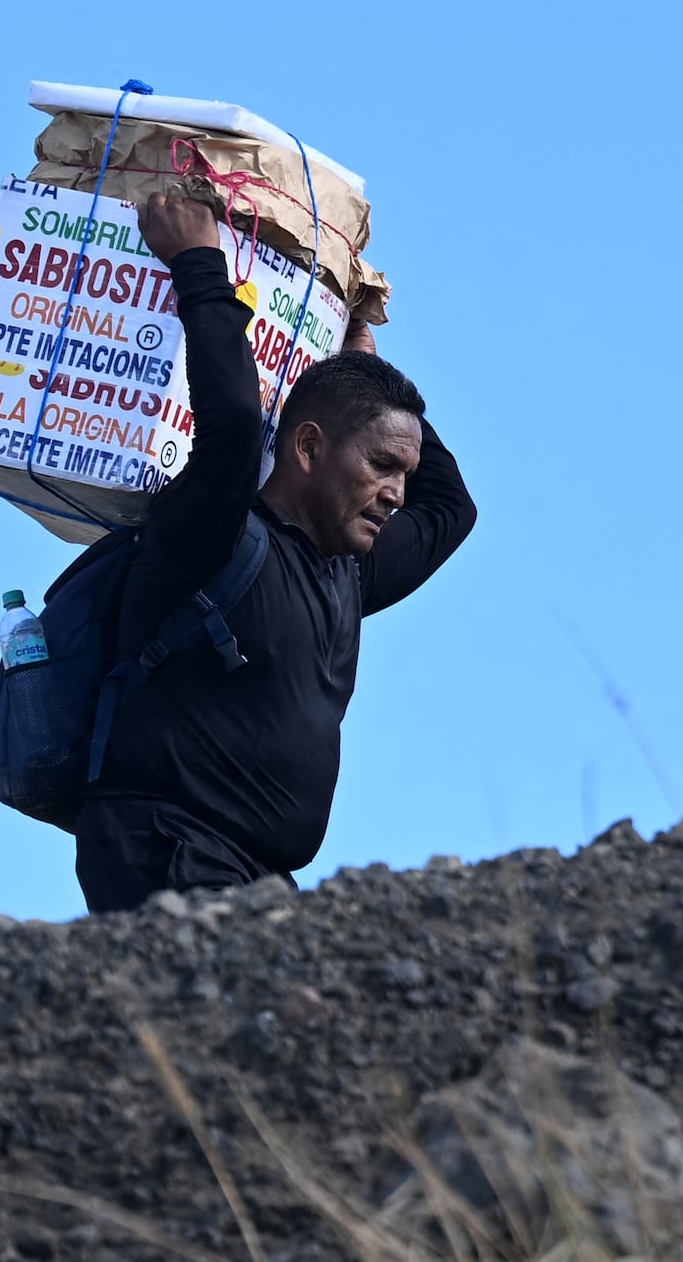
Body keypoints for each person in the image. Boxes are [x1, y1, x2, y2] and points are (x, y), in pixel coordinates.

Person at [74, 182, 474, 913]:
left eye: (402, 475)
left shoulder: (348, 570)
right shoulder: (213, 533)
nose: (395, 493)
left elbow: (452, 508)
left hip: (257, 880)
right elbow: (231, 416)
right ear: (310, 447)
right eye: (381, 466)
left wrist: (366, 370)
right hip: (165, 848)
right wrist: (197, 260)